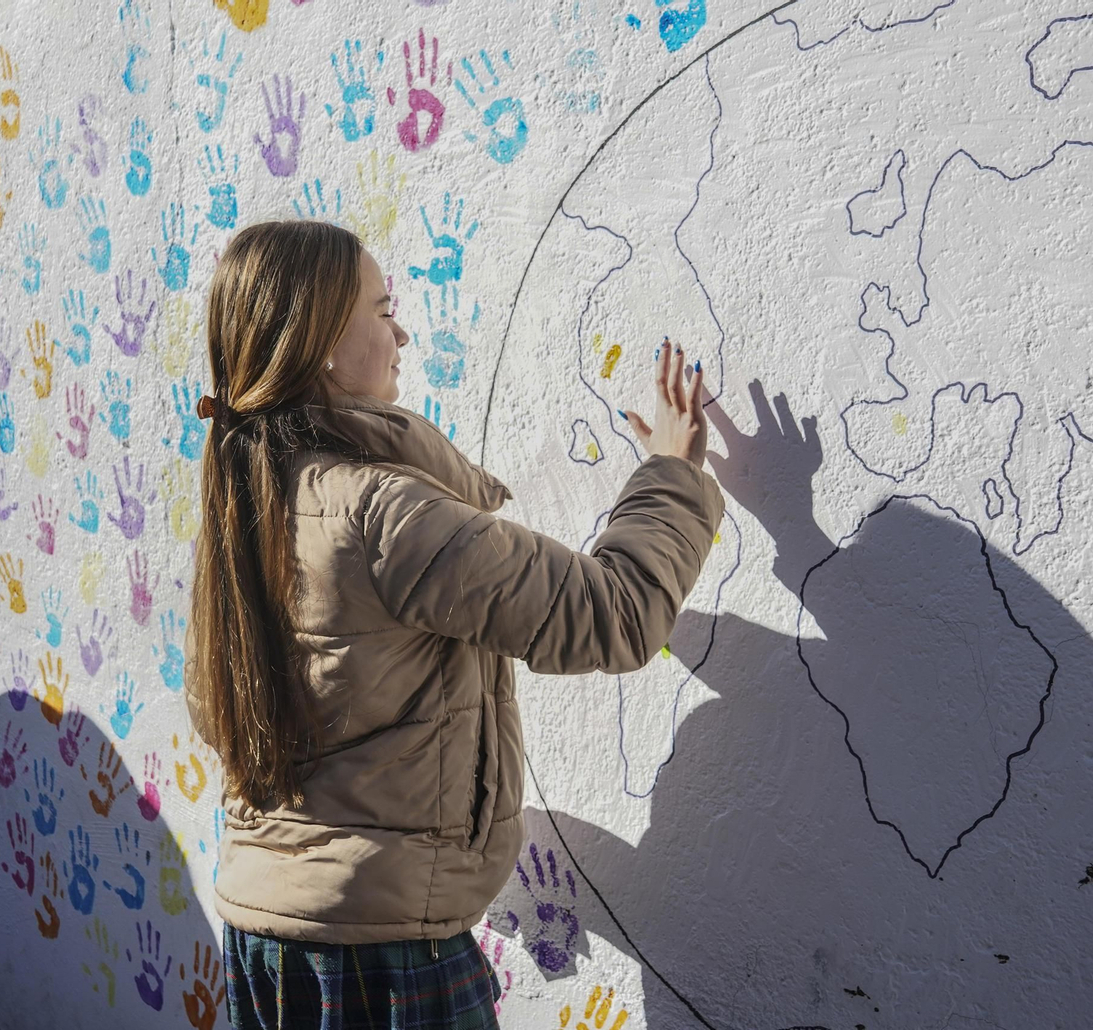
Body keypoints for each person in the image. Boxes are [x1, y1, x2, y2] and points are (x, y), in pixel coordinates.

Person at [184, 218, 724, 1030]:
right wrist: (673, 475)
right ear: (325, 340)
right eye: (383, 306)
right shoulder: (383, 514)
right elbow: (616, 615)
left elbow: (212, 709)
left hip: (265, 938)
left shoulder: (244, 504)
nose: (400, 330)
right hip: (385, 960)